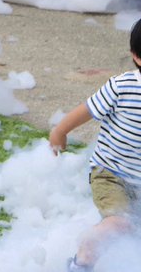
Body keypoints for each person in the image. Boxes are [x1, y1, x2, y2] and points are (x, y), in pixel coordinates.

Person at [49, 19, 141, 272]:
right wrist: (60, 130)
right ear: (137, 57)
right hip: (112, 174)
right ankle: (83, 258)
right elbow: (86, 110)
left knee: (132, 236)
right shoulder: (122, 86)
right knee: (121, 224)